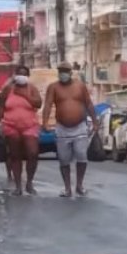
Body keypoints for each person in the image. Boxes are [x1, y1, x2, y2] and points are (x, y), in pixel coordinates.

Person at [42, 61, 98, 197]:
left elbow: (89, 104)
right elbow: (48, 105)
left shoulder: (80, 86)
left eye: (65, 71)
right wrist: (45, 122)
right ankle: (67, 188)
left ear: (70, 73)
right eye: (61, 71)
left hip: (79, 126)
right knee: (63, 159)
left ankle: (79, 185)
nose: (63, 74)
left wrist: (95, 122)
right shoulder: (53, 87)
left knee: (82, 156)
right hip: (62, 127)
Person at [0, 66, 43, 195]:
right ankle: (18, 186)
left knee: (33, 153)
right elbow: (1, 104)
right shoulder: (8, 89)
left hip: (29, 125)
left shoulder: (32, 88)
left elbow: (38, 103)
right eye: (19, 74)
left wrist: (24, 95)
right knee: (15, 155)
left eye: (24, 74)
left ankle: (29, 182)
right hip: (11, 126)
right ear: (15, 75)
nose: (21, 76)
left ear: (28, 76)